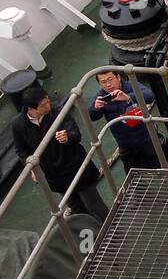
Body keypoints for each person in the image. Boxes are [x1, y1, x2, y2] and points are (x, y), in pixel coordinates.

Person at [10, 85, 109, 221]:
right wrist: (31, 167)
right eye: (44, 104)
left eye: (47, 101)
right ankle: (91, 233)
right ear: (32, 109)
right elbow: (21, 149)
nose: (48, 105)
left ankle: (111, 226)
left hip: (75, 165)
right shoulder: (18, 125)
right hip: (54, 174)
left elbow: (76, 134)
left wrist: (67, 137)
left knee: (94, 203)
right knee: (76, 208)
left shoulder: (58, 112)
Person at [89, 69, 168, 171]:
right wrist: (95, 108)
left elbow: (150, 96)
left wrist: (128, 97)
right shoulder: (101, 97)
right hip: (125, 142)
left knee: (160, 165)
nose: (108, 85)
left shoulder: (130, 86)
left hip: (147, 136)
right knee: (132, 171)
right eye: (103, 82)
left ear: (118, 78)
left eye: (110, 79)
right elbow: (93, 116)